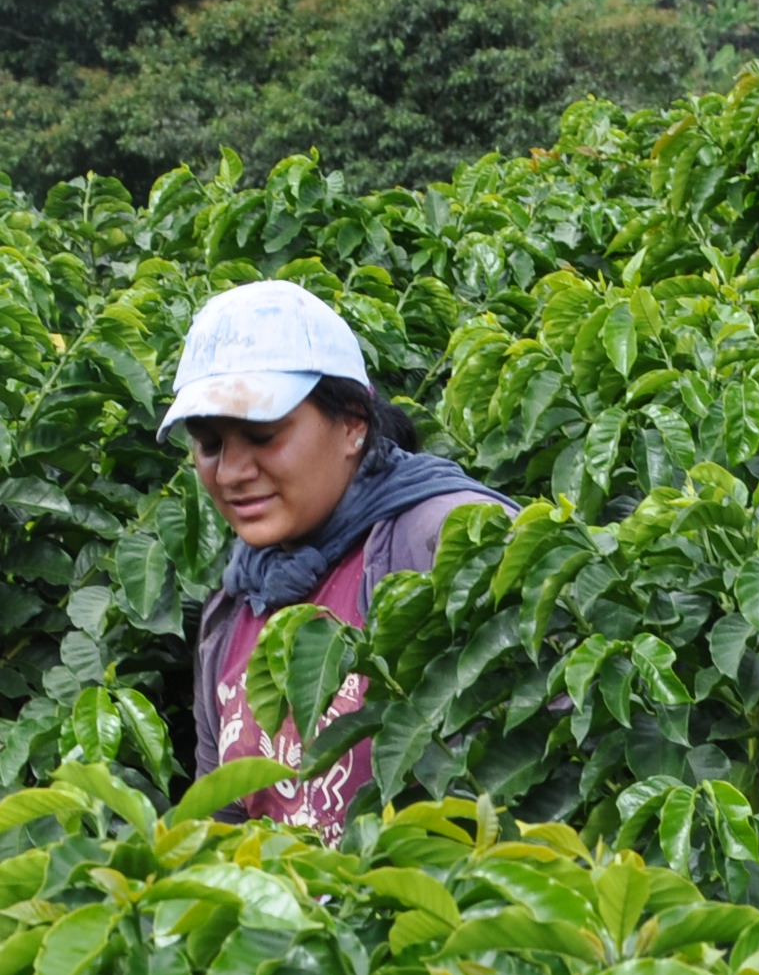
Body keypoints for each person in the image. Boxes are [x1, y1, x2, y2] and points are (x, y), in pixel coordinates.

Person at [168, 279, 509, 835]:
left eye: (262, 435)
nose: (230, 472)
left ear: (352, 423)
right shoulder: (235, 606)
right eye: (210, 445)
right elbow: (221, 832)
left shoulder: (447, 542)